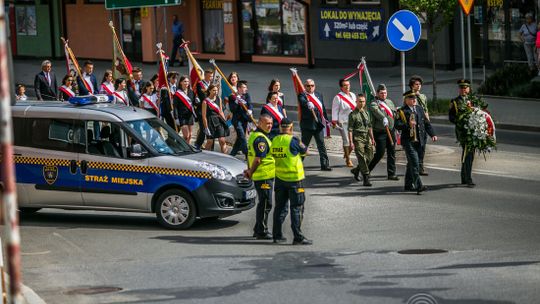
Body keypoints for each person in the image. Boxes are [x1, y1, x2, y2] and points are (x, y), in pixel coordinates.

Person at [271, 118, 312, 245]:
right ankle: (298, 237)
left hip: (279, 179)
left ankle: (277, 235)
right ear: (291, 127)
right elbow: (306, 151)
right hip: (295, 180)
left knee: (280, 208)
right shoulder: (293, 140)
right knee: (297, 208)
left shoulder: (275, 140)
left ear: (280, 127)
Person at [396, 91, 438, 194]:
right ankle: (419, 185)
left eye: (414, 98)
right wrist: (408, 125)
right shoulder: (401, 111)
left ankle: (408, 185)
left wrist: (432, 134)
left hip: (419, 140)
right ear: (406, 100)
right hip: (408, 141)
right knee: (415, 164)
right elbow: (397, 125)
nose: (414, 100)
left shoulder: (419, 109)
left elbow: (426, 123)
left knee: (412, 163)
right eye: (411, 98)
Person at [244, 114, 275, 240]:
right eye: (267, 123)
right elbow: (257, 159)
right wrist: (250, 172)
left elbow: (249, 155)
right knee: (266, 203)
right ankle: (262, 230)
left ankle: (257, 229)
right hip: (264, 176)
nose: (270, 126)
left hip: (262, 175)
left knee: (264, 202)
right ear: (259, 123)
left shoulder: (255, 136)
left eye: (271, 123)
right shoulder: (261, 139)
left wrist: (249, 170)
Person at [298, 79, 331, 171]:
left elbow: (322, 108)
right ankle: (298, 164)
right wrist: (307, 103)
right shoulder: (303, 95)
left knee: (321, 145)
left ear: (314, 86)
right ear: (305, 86)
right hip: (308, 125)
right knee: (304, 146)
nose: (310, 87)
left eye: (312, 85)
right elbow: (302, 102)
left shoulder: (318, 95)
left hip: (318, 124)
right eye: (308, 86)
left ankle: (324, 164)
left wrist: (326, 120)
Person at [368, 84, 398, 180]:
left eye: (385, 93)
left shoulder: (389, 102)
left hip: (391, 130)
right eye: (381, 93)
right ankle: (367, 170)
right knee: (380, 153)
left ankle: (391, 173)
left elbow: (394, 114)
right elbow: (376, 111)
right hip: (380, 132)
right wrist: (383, 117)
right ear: (377, 93)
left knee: (392, 152)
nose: (384, 95)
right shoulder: (374, 103)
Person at [449, 79, 476, 187]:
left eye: (465, 88)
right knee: (468, 153)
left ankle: (464, 177)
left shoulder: (473, 100)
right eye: (461, 88)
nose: (463, 90)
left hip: (473, 131)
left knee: (469, 154)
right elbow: (451, 117)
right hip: (463, 132)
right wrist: (460, 121)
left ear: (469, 89)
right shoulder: (455, 102)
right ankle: (467, 178)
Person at [348, 94, 374, 186]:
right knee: (362, 157)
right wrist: (351, 142)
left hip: (366, 138)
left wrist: (372, 138)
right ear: (356, 102)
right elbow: (350, 129)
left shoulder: (366, 113)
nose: (361, 103)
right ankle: (366, 177)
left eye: (363, 101)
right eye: (360, 101)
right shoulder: (352, 115)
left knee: (370, 157)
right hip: (358, 138)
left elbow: (370, 126)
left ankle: (356, 170)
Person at [332, 78, 357, 167]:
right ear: (341, 87)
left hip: (354, 121)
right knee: (347, 141)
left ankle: (346, 153)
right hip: (344, 122)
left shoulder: (353, 95)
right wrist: (334, 121)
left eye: (348, 85)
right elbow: (335, 110)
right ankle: (348, 159)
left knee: (355, 140)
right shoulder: (338, 97)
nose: (347, 87)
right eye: (345, 85)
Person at [409, 75, 429, 175]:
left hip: (423, 123)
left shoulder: (423, 96)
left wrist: (428, 120)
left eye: (420, 84)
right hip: (415, 123)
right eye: (416, 84)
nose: (419, 86)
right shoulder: (410, 96)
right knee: (415, 148)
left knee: (423, 147)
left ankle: (420, 167)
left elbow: (426, 109)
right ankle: (415, 167)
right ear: (412, 86)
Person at [229, 80, 253, 157]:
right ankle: (247, 154)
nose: (246, 89)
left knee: (240, 138)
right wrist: (236, 101)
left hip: (245, 119)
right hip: (237, 120)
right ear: (239, 88)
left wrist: (250, 110)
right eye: (244, 87)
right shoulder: (232, 97)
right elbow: (232, 109)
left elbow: (250, 104)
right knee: (242, 135)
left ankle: (232, 154)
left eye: (246, 87)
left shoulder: (247, 95)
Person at [202, 84, 229, 153]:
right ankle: (204, 157)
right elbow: (204, 116)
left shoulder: (218, 99)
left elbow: (220, 111)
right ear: (209, 91)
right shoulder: (205, 102)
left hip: (219, 121)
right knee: (210, 142)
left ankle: (225, 158)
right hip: (210, 122)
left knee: (222, 140)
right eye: (214, 90)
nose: (216, 92)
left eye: (217, 90)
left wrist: (224, 121)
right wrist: (206, 127)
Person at [174, 75, 197, 142]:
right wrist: (176, 118)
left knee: (190, 135)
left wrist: (197, 101)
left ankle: (188, 148)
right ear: (181, 82)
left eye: (187, 81)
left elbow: (193, 103)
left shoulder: (191, 92)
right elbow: (175, 106)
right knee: (186, 136)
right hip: (182, 116)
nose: (186, 83)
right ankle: (183, 147)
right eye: (185, 81)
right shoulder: (177, 93)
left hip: (190, 115)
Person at [195, 69, 214, 149]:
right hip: (201, 109)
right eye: (209, 76)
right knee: (203, 128)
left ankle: (210, 147)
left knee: (210, 128)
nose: (211, 78)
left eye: (212, 76)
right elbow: (203, 96)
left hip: (210, 110)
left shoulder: (212, 84)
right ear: (205, 76)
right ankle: (198, 145)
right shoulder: (200, 84)